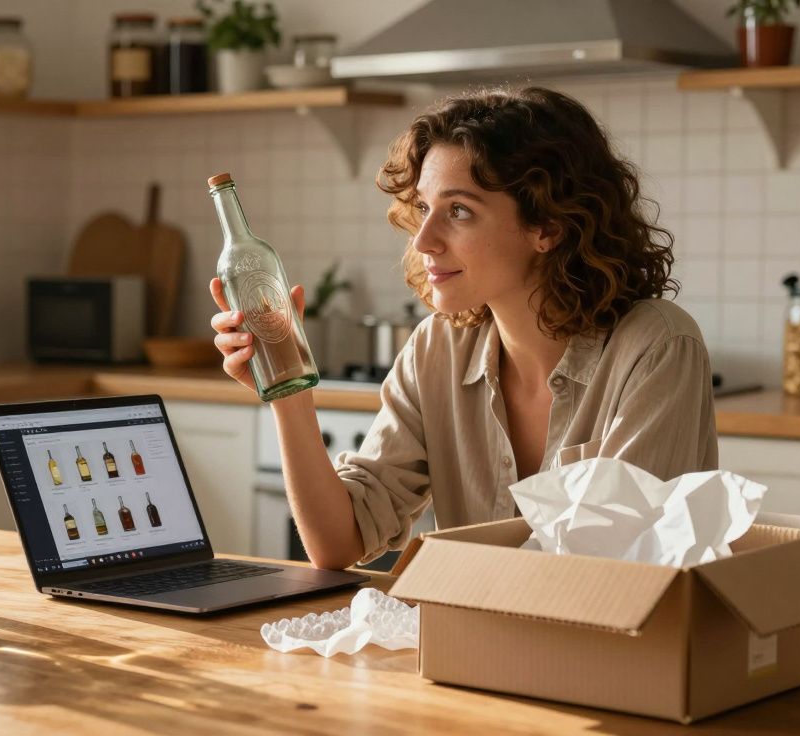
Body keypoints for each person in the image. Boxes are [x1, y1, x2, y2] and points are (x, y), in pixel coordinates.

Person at [209, 87, 718, 570]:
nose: (424, 240)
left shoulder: (656, 348)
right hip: (469, 650)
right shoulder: (437, 347)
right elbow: (339, 543)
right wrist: (287, 390)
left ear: (548, 226)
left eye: (459, 211)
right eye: (425, 209)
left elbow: (618, 572)